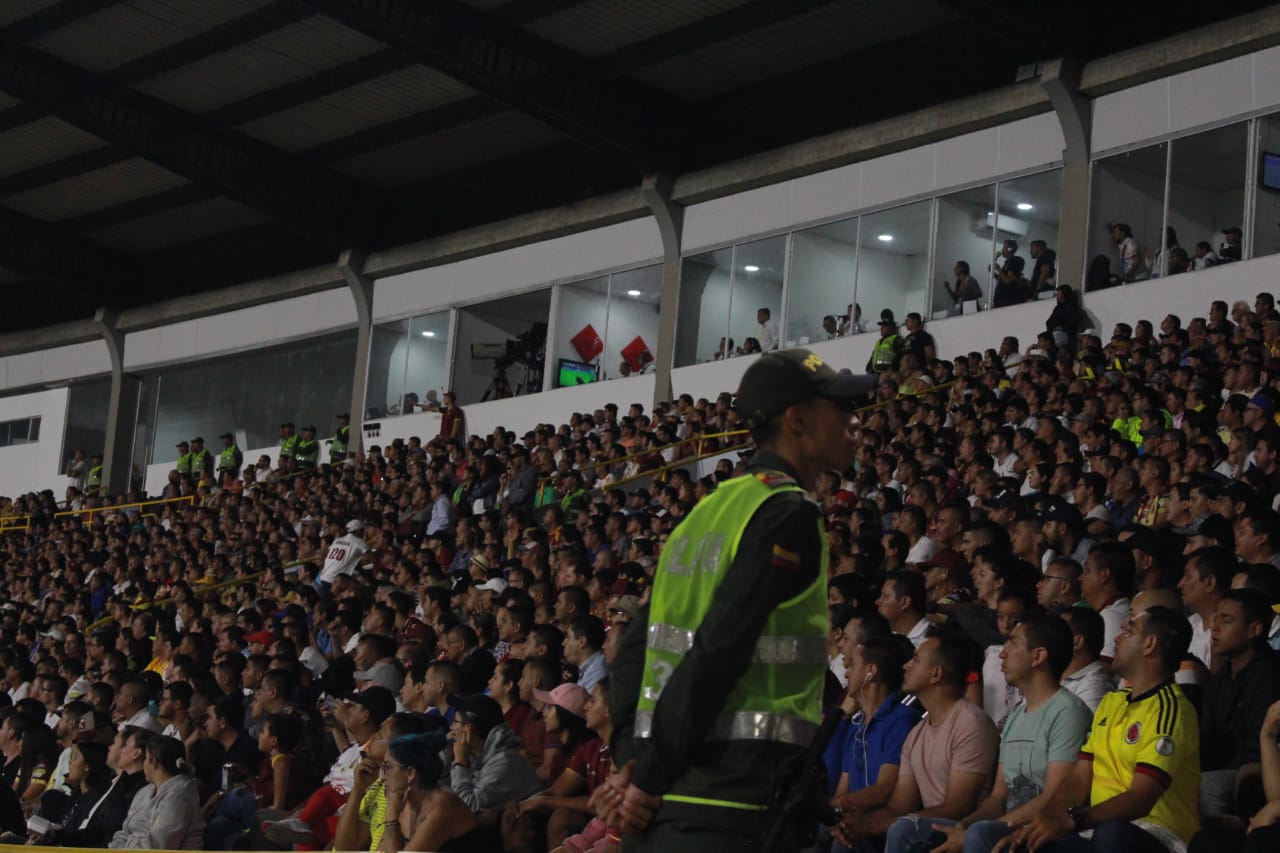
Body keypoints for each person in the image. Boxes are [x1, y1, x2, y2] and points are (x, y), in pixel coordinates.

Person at [601, 348, 875, 851]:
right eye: (839, 410)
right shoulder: (785, 513)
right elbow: (718, 651)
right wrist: (647, 775)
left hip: (670, 807)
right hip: (735, 805)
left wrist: (632, 759)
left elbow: (631, 654)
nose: (852, 423)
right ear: (797, 419)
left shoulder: (708, 512)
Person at [1002, 606, 1200, 853]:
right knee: (1018, 841)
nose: (1116, 637)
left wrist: (1072, 818)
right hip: (1095, 830)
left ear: (1150, 645)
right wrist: (1049, 817)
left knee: (1112, 833)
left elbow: (1142, 797)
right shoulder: (1112, 702)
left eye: (1128, 631)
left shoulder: (1172, 710)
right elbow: (1079, 778)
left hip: (1157, 835)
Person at [932, 613, 1094, 851]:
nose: (1003, 653)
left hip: (1047, 833)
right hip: (1008, 825)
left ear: (1038, 656)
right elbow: (998, 797)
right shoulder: (1017, 715)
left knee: (980, 835)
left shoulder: (1068, 712)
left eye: (1013, 643)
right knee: (911, 829)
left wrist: (978, 831)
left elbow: (1053, 797)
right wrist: (965, 825)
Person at [836, 627, 998, 851]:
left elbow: (957, 807)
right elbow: (899, 805)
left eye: (915, 659)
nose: (906, 666)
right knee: (845, 836)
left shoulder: (971, 723)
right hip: (922, 826)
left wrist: (876, 824)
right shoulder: (917, 733)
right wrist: (856, 822)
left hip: (958, 831)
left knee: (904, 829)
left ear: (936, 674)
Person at [1198, 589, 1280, 817]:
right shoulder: (1219, 680)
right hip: (1221, 769)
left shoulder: (1271, 676)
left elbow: (1259, 745)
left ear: (1254, 629)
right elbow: (1207, 739)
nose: (1215, 628)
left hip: (1258, 772)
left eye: (1227, 621)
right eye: (1216, 619)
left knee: (1208, 786)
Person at [380, 732, 487, 853]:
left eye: (388, 767)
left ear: (410, 773)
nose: (383, 776)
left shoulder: (444, 806)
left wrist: (391, 818)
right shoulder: (403, 803)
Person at [445, 693, 542, 812]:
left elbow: (465, 808)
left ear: (468, 729)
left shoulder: (504, 762)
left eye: (455, 722)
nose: (451, 727)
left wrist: (460, 764)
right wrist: (446, 755)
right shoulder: (476, 755)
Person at [109, 735, 204, 850]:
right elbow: (123, 833)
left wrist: (126, 845)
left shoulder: (180, 795)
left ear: (154, 762)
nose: (143, 764)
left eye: (145, 759)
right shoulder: (143, 792)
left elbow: (158, 846)